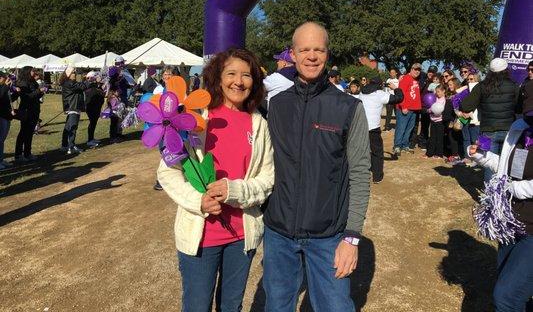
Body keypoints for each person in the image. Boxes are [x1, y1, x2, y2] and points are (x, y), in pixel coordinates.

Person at [156, 48, 274, 312]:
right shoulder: (196, 119)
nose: (238, 81)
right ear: (218, 78)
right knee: (197, 306)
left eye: (246, 75)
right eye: (231, 73)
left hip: (242, 235)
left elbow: (267, 179)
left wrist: (234, 190)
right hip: (201, 235)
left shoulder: (259, 124)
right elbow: (167, 172)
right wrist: (199, 201)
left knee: (231, 307)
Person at [263, 22, 371, 312]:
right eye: (304, 49)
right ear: (293, 55)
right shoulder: (276, 105)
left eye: (319, 49)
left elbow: (360, 174)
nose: (312, 56)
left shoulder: (349, 107)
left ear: (327, 54)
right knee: (276, 307)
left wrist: (352, 237)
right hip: (278, 233)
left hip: (328, 236)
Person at [468, 79, 533, 311]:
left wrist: (512, 188)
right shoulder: (518, 128)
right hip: (510, 223)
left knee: (506, 297)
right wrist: (480, 156)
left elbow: (512, 183)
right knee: (513, 288)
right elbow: (504, 167)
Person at [461, 58, 520, 182]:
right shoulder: (514, 85)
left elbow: (465, 106)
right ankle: (505, 194)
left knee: (487, 163)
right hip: (509, 131)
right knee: (507, 163)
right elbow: (519, 107)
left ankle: (489, 197)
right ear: (506, 70)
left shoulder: (481, 86)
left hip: (486, 130)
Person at [358, 76, 403, 181]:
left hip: (360, 127)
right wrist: (395, 88)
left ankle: (361, 174)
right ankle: (377, 177)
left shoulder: (362, 92)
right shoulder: (380, 94)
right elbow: (399, 98)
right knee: (377, 152)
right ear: (379, 85)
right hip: (373, 128)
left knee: (361, 152)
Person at [14, 66, 44, 162]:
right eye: (32, 71)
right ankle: (18, 155)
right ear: (27, 72)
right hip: (26, 110)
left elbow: (35, 95)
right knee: (23, 132)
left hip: (34, 109)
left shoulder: (33, 81)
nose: (34, 72)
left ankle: (28, 153)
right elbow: (26, 97)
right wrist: (38, 91)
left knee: (30, 132)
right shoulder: (23, 83)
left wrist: (41, 92)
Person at [60, 67, 92, 154]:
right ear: (68, 75)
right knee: (73, 127)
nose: (75, 74)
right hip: (72, 107)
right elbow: (83, 86)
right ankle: (71, 147)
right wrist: (89, 79)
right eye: (73, 73)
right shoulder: (70, 83)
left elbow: (81, 85)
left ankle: (64, 145)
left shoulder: (70, 83)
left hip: (72, 107)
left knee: (68, 127)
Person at [393, 63, 422, 158]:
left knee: (409, 128)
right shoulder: (405, 78)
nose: (417, 71)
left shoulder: (416, 80)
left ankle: (404, 145)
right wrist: (403, 106)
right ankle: (397, 146)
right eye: (415, 69)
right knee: (401, 128)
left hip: (413, 109)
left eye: (419, 70)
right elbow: (400, 93)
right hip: (404, 108)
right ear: (411, 69)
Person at [425, 85, 446, 159]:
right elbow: (430, 106)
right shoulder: (435, 98)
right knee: (432, 137)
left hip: (440, 122)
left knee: (439, 138)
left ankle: (439, 153)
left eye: (439, 92)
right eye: (436, 92)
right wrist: (428, 110)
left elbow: (440, 110)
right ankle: (429, 153)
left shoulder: (444, 100)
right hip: (433, 121)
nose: (437, 93)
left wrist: (434, 111)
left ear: (443, 91)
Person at [85, 71, 105, 148]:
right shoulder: (89, 85)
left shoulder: (96, 85)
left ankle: (91, 138)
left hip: (96, 106)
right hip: (91, 107)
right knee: (92, 122)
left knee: (94, 123)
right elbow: (93, 93)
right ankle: (90, 140)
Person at [0, 70, 15, 169]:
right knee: (0, 139)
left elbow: (9, 99)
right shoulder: (2, 88)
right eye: (3, 78)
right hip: (1, 116)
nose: (5, 79)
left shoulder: (4, 87)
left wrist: (16, 92)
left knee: (2, 140)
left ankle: (1, 159)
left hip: (6, 115)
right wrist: (5, 87)